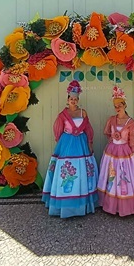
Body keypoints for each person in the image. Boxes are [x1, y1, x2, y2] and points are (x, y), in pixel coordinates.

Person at [42, 80, 98, 218]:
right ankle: (65, 203)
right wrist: (61, 144)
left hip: (81, 144)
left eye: (75, 99)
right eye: (71, 99)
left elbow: (88, 129)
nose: (73, 101)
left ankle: (81, 202)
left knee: (81, 170)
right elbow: (58, 130)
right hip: (67, 144)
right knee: (66, 169)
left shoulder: (82, 112)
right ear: (67, 100)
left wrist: (90, 142)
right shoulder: (63, 114)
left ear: (78, 99)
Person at [97, 86, 134, 216]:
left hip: (125, 152)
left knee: (125, 175)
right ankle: (111, 203)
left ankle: (126, 204)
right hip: (112, 151)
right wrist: (113, 141)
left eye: (120, 105)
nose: (117, 108)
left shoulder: (130, 122)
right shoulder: (111, 120)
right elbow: (108, 133)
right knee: (112, 174)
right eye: (115, 105)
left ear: (125, 104)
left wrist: (132, 150)